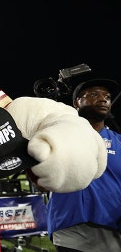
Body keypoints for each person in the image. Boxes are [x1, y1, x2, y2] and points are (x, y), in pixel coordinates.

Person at [46, 78, 121, 251]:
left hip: (112, 228)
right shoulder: (58, 134)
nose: (103, 99)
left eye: (108, 97)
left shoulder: (119, 142)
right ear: (76, 103)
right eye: (94, 95)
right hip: (71, 228)